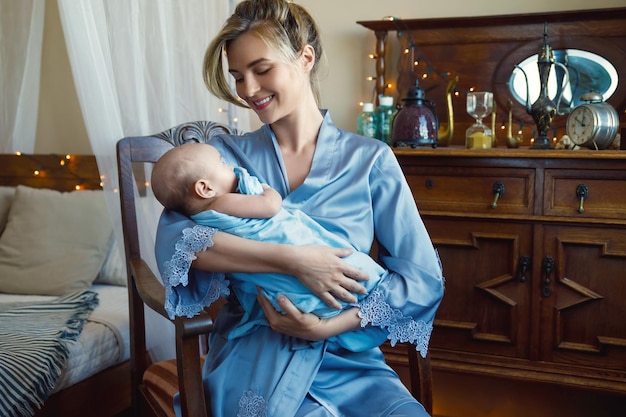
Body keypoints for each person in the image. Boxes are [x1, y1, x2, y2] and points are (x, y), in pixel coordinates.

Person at [154, 0, 445, 415]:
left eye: (261, 69)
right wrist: (293, 261)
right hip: (253, 356)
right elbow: (177, 243)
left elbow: (422, 280)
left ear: (305, 56)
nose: (248, 90)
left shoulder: (370, 160)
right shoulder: (220, 159)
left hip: (348, 362)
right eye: (237, 76)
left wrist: (327, 326)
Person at [151, 141, 395, 351]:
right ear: (204, 188)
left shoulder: (203, 211)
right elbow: (269, 208)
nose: (231, 167)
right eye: (223, 163)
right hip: (270, 336)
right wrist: (269, 192)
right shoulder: (222, 201)